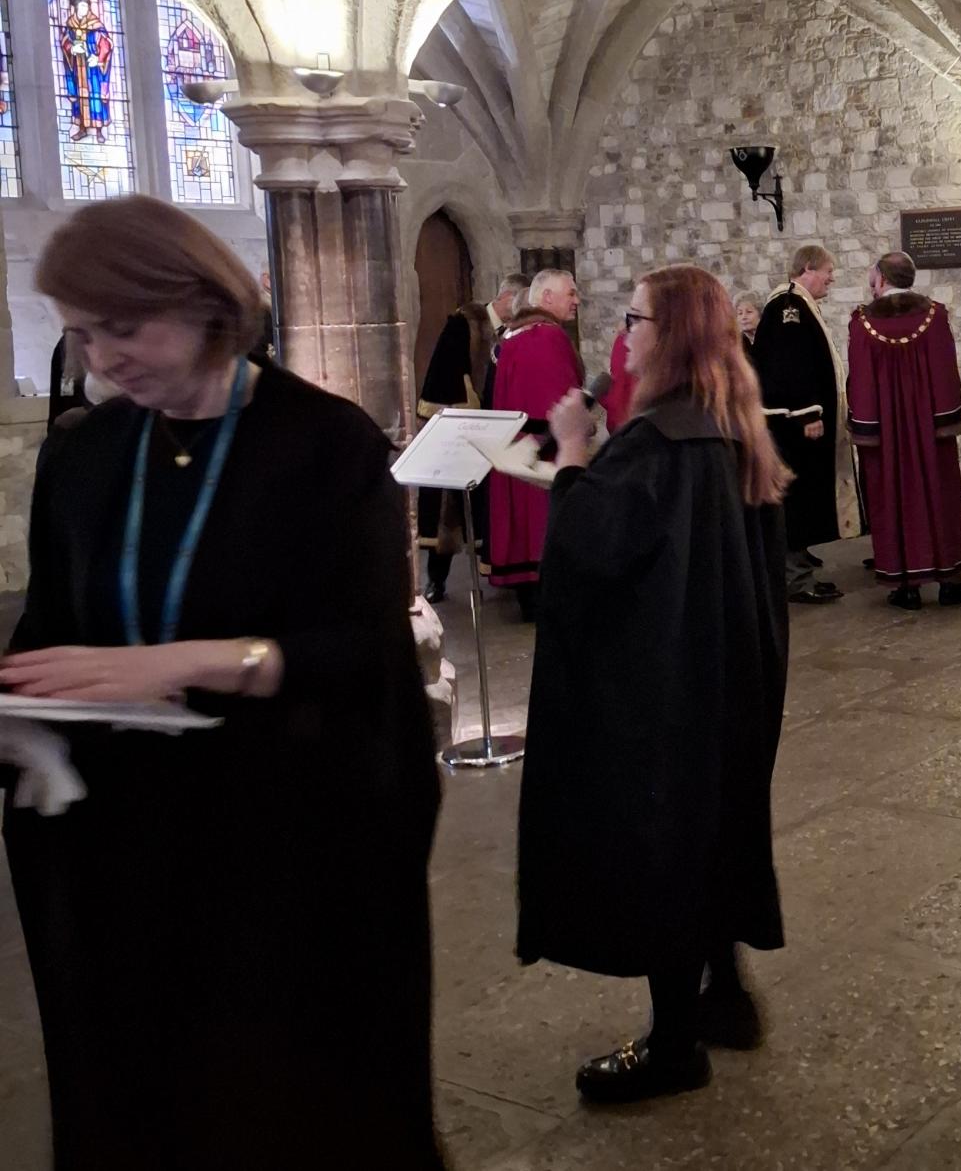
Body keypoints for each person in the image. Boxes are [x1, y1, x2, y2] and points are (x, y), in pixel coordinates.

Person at [0, 196, 442, 1171]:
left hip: (282, 836)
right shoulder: (85, 453)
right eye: (81, 331)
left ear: (204, 302)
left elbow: (359, 652)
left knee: (278, 1099)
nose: (103, 355)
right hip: (125, 842)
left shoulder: (328, 445)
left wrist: (186, 661)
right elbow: (50, 631)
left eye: (123, 325)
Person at [517, 265, 789, 1107]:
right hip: (726, 673)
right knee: (712, 828)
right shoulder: (728, 426)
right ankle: (725, 997)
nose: (623, 332)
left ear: (665, 334)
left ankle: (676, 1045)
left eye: (633, 318)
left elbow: (596, 552)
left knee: (665, 841)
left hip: (665, 685)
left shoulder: (659, 443)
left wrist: (568, 455)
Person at [847, 250, 961, 610]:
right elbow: (945, 372)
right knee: (940, 495)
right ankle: (950, 582)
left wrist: (866, 428)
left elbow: (860, 382)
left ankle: (905, 587)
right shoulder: (934, 317)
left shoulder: (862, 322)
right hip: (928, 431)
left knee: (892, 499)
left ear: (881, 279)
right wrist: (945, 418)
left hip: (887, 435)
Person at [751, 244, 852, 604]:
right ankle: (795, 580)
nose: (831, 278)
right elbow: (790, 365)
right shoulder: (788, 306)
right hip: (794, 424)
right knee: (797, 500)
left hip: (796, 421)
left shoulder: (796, 304)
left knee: (804, 497)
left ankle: (799, 574)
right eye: (828, 271)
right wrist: (809, 412)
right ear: (808, 268)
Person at [489, 267, 586, 617]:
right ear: (546, 298)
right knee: (542, 530)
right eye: (570, 292)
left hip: (512, 447)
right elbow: (559, 401)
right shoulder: (548, 336)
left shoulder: (513, 335)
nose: (577, 300)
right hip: (542, 453)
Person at [414, 294, 498, 603]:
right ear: (505, 298)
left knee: (484, 506)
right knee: (446, 507)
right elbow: (442, 380)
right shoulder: (464, 324)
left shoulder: (510, 330)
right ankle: (437, 579)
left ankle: (494, 572)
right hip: (459, 431)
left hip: (493, 432)